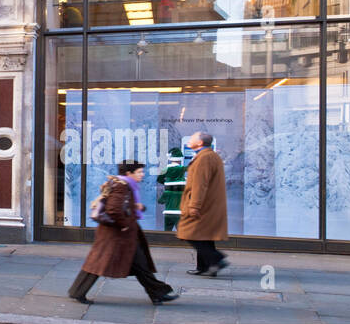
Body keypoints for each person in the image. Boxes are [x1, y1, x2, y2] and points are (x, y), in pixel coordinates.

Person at [68, 160, 180, 306]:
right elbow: (113, 209)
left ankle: (157, 293)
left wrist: (135, 207)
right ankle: (78, 291)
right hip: (117, 235)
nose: (142, 174)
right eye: (139, 172)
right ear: (129, 173)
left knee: (140, 265)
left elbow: (119, 205)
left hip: (122, 235)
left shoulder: (123, 184)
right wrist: (125, 225)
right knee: (98, 263)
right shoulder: (122, 186)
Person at [177, 130, 229, 277]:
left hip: (202, 205)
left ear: (200, 142)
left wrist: (194, 206)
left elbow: (200, 184)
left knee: (189, 233)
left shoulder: (204, 158)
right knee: (203, 235)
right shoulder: (209, 156)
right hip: (208, 205)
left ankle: (217, 259)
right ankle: (205, 267)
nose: (190, 139)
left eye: (192, 137)